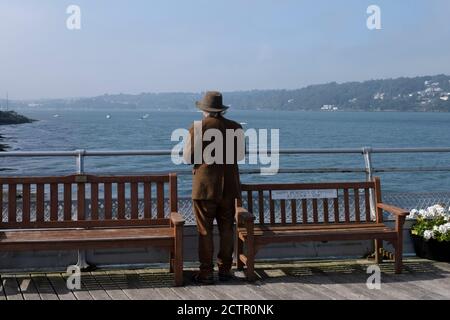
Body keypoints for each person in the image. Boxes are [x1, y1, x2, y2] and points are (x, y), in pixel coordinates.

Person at [183, 91, 245, 284]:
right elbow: (240, 156)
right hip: (230, 187)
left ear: (204, 110)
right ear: (221, 110)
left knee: (205, 230)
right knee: (227, 228)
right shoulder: (235, 127)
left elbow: (187, 158)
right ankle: (225, 270)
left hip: (205, 187)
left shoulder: (198, 127)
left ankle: (206, 272)